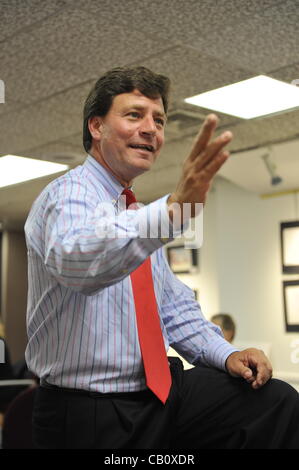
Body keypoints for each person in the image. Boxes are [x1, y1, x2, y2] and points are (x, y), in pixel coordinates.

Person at [25, 66, 299, 449]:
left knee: (273, 403)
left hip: (158, 395)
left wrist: (228, 354)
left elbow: (172, 309)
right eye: (134, 114)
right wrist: (171, 212)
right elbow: (79, 264)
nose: (151, 129)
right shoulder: (68, 195)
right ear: (96, 127)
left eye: (159, 120)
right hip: (89, 411)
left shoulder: (133, 213)